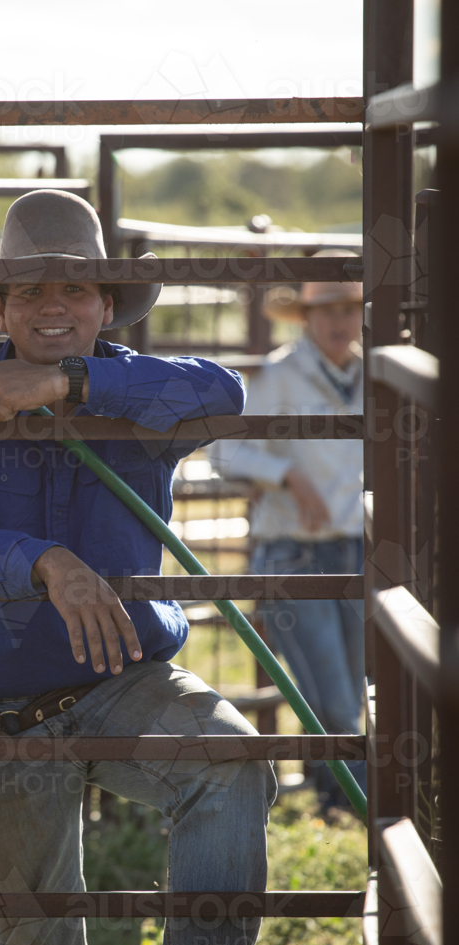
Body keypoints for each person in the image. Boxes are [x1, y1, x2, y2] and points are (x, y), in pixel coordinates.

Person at [0, 189, 277, 945]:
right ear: (0, 306)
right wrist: (46, 563)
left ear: (108, 303)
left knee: (234, 767)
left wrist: (69, 385)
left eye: (74, 288)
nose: (53, 306)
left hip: (124, 681)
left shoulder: (134, 384)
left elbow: (226, 396)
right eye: (30, 290)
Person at [210, 253, 365, 810]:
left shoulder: (369, 376)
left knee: (348, 689)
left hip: (354, 548)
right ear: (306, 316)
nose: (338, 321)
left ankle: (337, 802)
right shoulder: (280, 376)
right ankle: (358, 810)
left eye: (348, 307)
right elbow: (225, 451)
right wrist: (288, 475)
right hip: (293, 553)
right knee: (334, 694)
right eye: (327, 309)